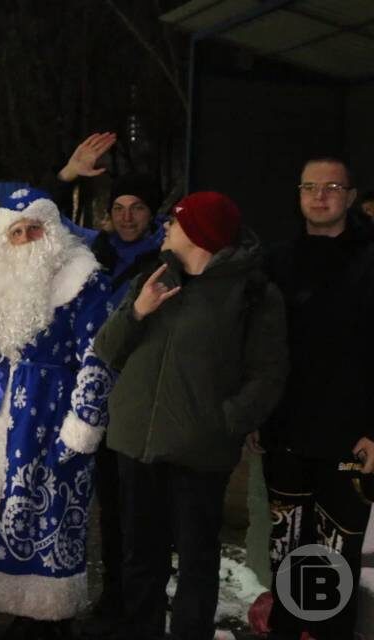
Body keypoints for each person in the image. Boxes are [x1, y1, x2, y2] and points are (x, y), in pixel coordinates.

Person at [94, 191, 288, 640]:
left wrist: (224, 423)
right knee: (141, 559)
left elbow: (268, 374)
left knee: (196, 563)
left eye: (176, 222)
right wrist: (138, 310)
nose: (166, 227)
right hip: (136, 444)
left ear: (201, 233)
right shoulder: (155, 274)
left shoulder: (254, 293)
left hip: (199, 452)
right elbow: (106, 348)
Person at [0, 188, 115, 638]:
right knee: (2, 509)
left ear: (53, 230)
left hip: (55, 414)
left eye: (34, 229)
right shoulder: (2, 284)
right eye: (17, 232)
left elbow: (98, 355)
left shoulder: (85, 279)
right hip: (5, 414)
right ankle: (16, 608)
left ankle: (51, 615)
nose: (26, 238)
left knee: (54, 511)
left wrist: (83, 421)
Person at [53, 134, 165, 631]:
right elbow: (43, 225)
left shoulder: (169, 257)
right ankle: (115, 599)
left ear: (152, 212)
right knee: (109, 508)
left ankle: (140, 609)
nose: (125, 217)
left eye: (136, 207)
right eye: (118, 207)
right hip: (95, 399)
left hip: (144, 398)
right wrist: (67, 177)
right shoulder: (94, 250)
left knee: (142, 513)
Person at [260, 156, 374, 639]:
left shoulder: (371, 260)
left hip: (350, 438)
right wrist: (256, 415)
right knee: (287, 546)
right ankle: (288, 631)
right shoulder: (276, 261)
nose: (320, 195)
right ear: (298, 195)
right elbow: (258, 350)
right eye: (310, 186)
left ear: (350, 197)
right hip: (284, 433)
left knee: (335, 552)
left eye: (332, 186)